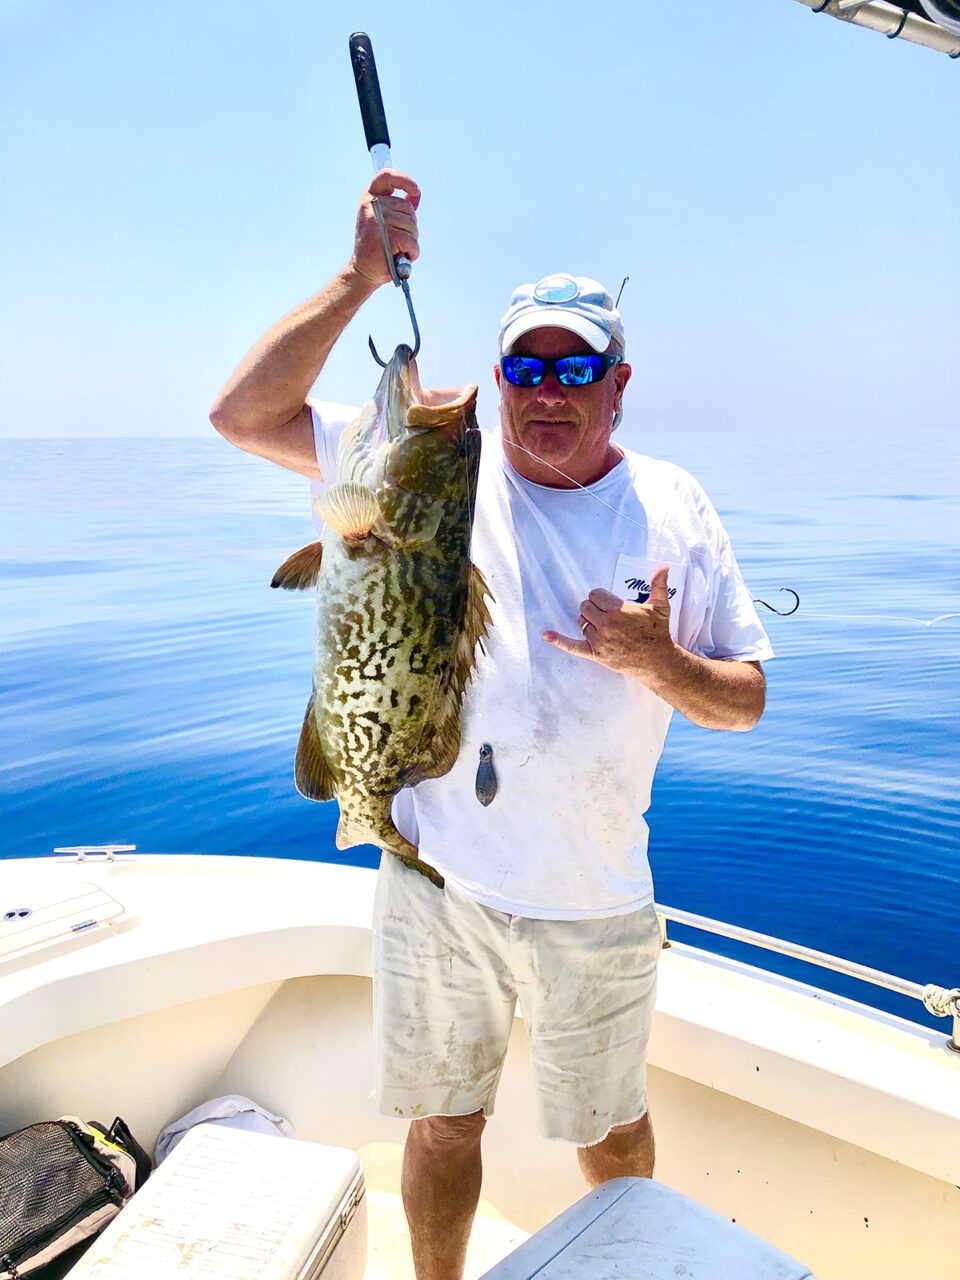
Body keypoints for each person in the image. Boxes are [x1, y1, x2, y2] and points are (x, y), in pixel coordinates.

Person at [210, 169, 774, 1280]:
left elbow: (746, 698)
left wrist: (660, 660)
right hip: (436, 881)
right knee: (441, 1122)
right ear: (503, 374)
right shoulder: (420, 478)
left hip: (595, 892)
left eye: (574, 367)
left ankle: (633, 1264)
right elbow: (242, 417)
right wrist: (359, 280)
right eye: (525, 365)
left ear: (618, 385)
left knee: (609, 1132)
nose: (544, 390)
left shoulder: (675, 503)